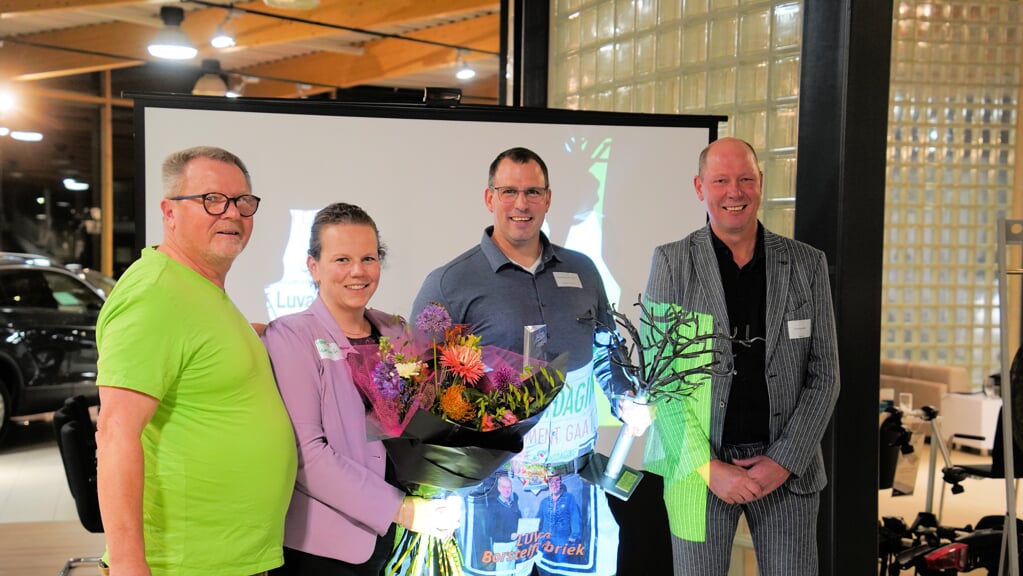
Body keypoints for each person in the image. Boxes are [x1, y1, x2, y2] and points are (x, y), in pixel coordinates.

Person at [412, 146, 651, 576]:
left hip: (572, 480)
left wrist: (623, 397)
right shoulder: (450, 282)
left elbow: (603, 349)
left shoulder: (582, 270)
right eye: (509, 192)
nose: (521, 204)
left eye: (532, 192)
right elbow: (423, 383)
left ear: (548, 198)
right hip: (493, 485)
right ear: (490, 199)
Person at [95, 146, 298, 576]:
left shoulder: (198, 289)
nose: (232, 213)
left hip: (229, 559)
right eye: (211, 200)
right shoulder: (155, 294)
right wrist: (129, 563)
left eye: (243, 201)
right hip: (184, 564)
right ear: (169, 212)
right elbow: (115, 433)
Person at [642, 137, 840, 576]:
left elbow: (825, 374)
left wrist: (784, 461)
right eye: (721, 180)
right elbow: (661, 381)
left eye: (745, 179)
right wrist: (708, 466)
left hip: (788, 470)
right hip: (699, 468)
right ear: (700, 187)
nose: (735, 192)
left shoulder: (806, 265)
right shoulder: (672, 263)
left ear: (761, 184)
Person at [260, 202, 462, 576]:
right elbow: (306, 455)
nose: (358, 271)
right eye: (342, 259)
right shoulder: (291, 336)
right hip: (326, 551)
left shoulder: (396, 331)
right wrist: (400, 509)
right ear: (313, 266)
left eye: (369, 258)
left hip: (404, 539)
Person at [537, 475, 582, 565]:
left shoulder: (569, 498)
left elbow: (575, 517)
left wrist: (574, 535)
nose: (554, 484)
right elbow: (538, 519)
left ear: (561, 482)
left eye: (557, 481)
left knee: (562, 565)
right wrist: (535, 534)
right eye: (552, 482)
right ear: (548, 484)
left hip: (562, 539)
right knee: (541, 562)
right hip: (545, 538)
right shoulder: (544, 501)